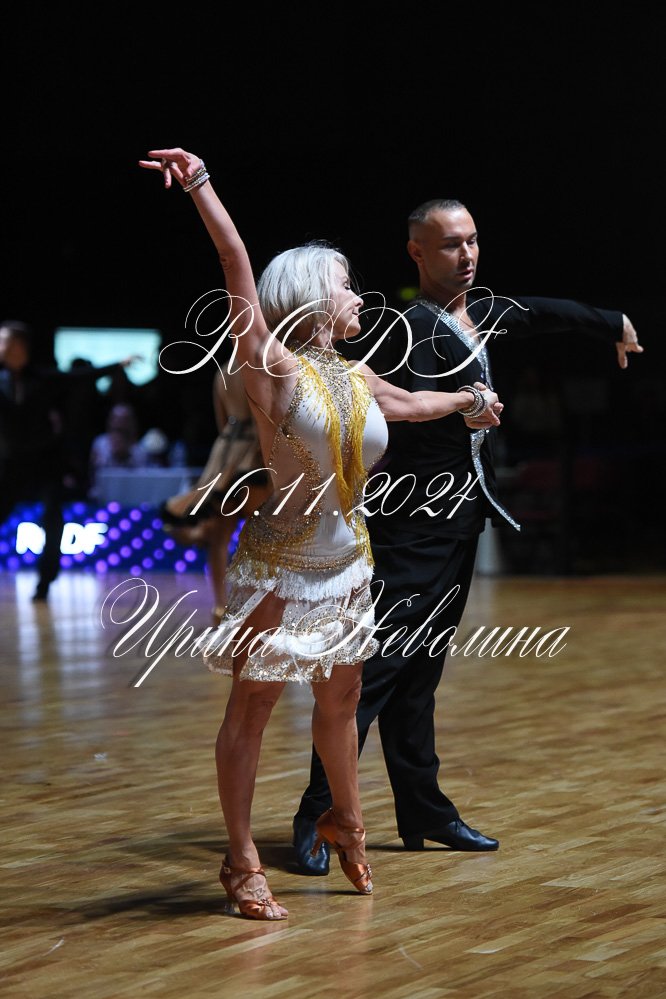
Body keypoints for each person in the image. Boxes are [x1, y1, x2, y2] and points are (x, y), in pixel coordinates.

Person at [138, 150, 503, 921]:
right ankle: (241, 859)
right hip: (279, 566)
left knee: (342, 701)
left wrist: (469, 399)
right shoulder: (271, 368)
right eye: (344, 284)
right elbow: (235, 261)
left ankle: (347, 821)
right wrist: (201, 184)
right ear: (310, 296)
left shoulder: (356, 375)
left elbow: (410, 404)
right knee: (253, 710)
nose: (358, 294)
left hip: (348, 563)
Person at [292, 198, 644, 873]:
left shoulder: (481, 312)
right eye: (451, 244)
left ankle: (422, 807)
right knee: (375, 672)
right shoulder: (408, 327)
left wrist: (613, 323)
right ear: (417, 253)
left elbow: (538, 311)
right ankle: (318, 812)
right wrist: (466, 406)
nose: (467, 255)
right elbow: (390, 408)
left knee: (421, 674)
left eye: (473, 240)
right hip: (411, 523)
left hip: (459, 520)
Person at [0, 321, 137, 601]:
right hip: (11, 462)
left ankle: (45, 581)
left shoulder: (43, 379)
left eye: (6, 342)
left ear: (20, 347)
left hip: (45, 461)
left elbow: (80, 377)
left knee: (53, 518)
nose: (1, 347)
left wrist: (118, 365)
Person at [159, 365, 272, 625]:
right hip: (253, 454)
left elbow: (222, 420)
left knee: (219, 539)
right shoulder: (263, 368)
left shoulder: (223, 372)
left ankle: (220, 607)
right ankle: (257, 605)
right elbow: (266, 414)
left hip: (225, 452)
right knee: (261, 537)